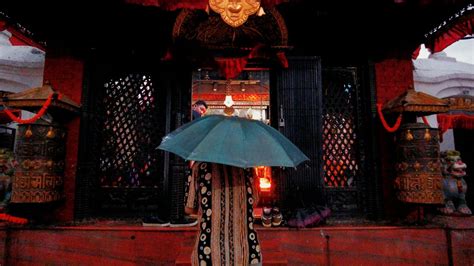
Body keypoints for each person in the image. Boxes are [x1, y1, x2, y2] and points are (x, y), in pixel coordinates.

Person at [185, 162, 262, 265]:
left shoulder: (199, 166)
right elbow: (255, 201)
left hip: (208, 254)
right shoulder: (247, 167)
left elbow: (189, 208)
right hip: (247, 253)